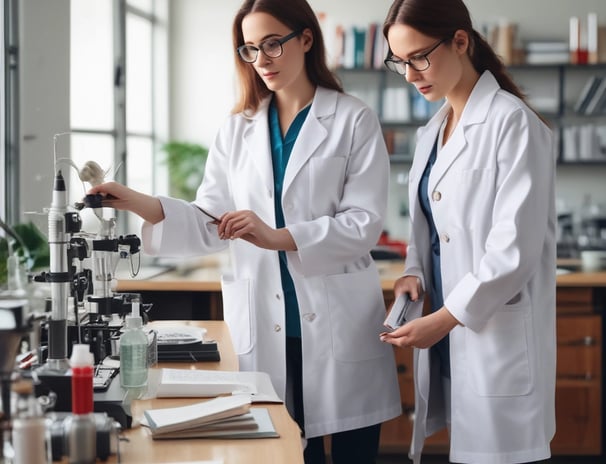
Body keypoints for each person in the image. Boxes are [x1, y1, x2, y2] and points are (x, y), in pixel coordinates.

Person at [89, 0, 401, 462]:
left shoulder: (353, 119)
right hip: (265, 319)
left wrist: (277, 236)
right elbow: (211, 221)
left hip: (338, 320)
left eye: (273, 43)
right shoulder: (238, 128)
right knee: (285, 450)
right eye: (250, 49)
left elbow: (364, 222)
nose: (263, 60)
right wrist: (139, 202)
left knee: (353, 451)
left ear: (306, 39)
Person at [378, 1, 556, 463]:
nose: (411, 75)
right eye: (400, 62)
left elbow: (512, 252)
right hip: (452, 328)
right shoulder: (431, 131)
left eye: (420, 57)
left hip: (487, 331)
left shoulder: (512, 122)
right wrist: (412, 272)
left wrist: (441, 322)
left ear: (461, 41)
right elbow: (428, 230)